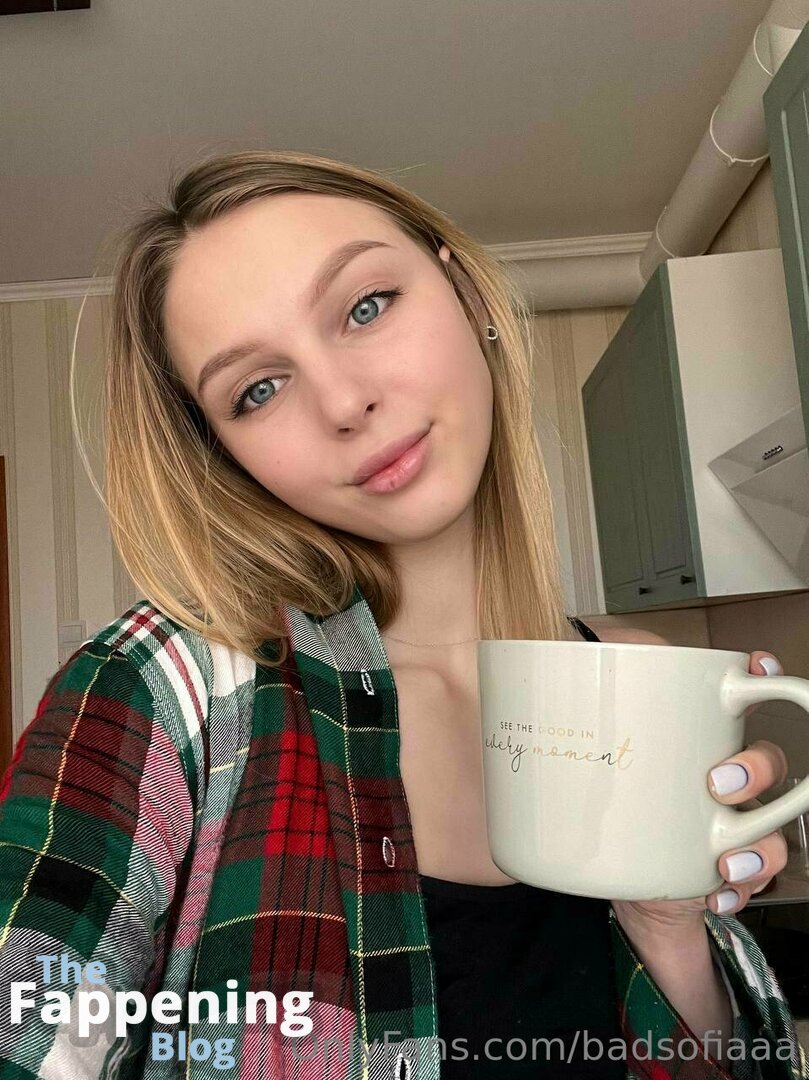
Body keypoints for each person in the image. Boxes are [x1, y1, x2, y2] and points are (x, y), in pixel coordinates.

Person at [0, 149, 805, 1080]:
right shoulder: (163, 689)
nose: (345, 403)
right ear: (225, 455)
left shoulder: (630, 673)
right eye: (257, 389)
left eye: (366, 306)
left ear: (463, 293)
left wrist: (669, 933)